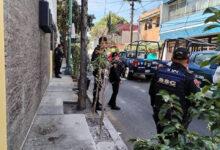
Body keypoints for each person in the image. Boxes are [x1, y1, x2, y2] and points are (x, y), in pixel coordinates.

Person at [149, 47, 200, 134]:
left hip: (160, 113)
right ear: (187, 60)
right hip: (178, 118)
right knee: (175, 142)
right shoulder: (189, 77)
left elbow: (151, 92)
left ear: (172, 58)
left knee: (161, 137)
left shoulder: (159, 71)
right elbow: (196, 100)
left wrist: (156, 107)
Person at [91, 36, 108, 111]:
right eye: (102, 43)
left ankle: (97, 102)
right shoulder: (97, 50)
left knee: (99, 88)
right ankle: (95, 105)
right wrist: (98, 68)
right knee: (96, 88)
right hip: (98, 72)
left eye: (105, 43)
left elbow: (105, 61)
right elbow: (93, 61)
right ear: (100, 43)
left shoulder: (103, 51)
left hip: (101, 72)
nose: (104, 44)